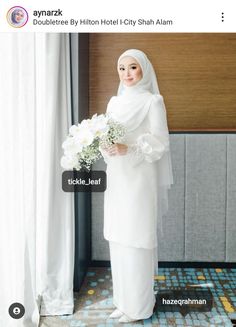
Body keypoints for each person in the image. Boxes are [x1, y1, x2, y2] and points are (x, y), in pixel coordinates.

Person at [101, 49, 173, 323]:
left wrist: (128, 148)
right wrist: (107, 147)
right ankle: (123, 301)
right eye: (122, 68)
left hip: (140, 182)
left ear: (144, 69)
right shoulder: (113, 103)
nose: (127, 73)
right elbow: (106, 139)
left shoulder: (153, 101)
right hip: (118, 180)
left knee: (136, 241)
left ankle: (140, 307)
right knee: (118, 239)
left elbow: (160, 143)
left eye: (133, 67)